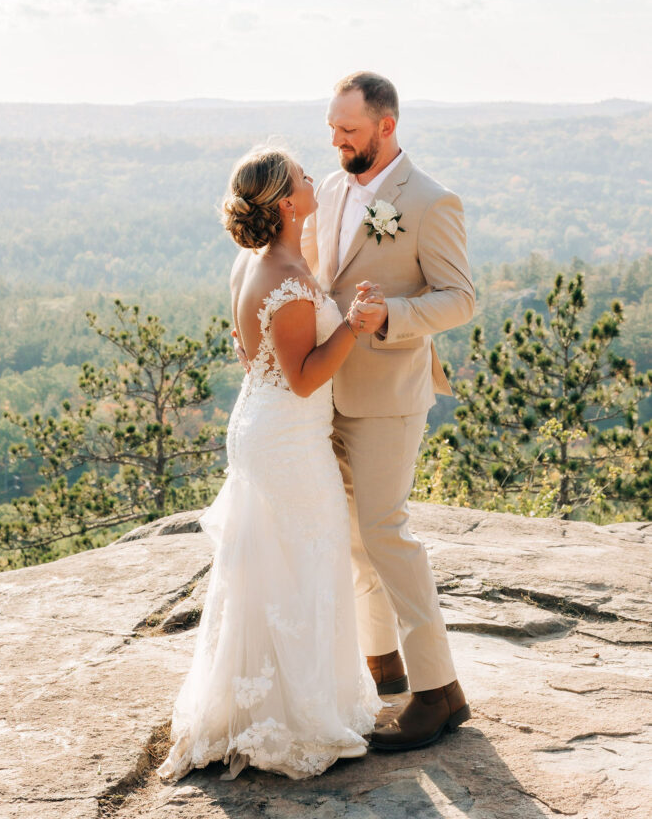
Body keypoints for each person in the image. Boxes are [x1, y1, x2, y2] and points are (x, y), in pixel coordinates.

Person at [157, 147, 382, 783]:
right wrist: (355, 327)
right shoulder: (283, 278)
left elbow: (249, 351)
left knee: (275, 567)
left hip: (268, 424)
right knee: (306, 560)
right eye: (305, 176)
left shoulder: (261, 263)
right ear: (286, 202)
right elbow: (307, 378)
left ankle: (274, 705)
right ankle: (295, 718)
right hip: (287, 437)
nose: (316, 179)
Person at [301, 71, 475, 751]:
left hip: (390, 394)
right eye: (331, 130)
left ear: (385, 127)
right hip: (328, 390)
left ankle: (439, 692)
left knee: (385, 532)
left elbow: (460, 298)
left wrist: (390, 316)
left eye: (347, 130)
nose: (336, 141)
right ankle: (384, 668)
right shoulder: (334, 187)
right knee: (351, 537)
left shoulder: (430, 202)